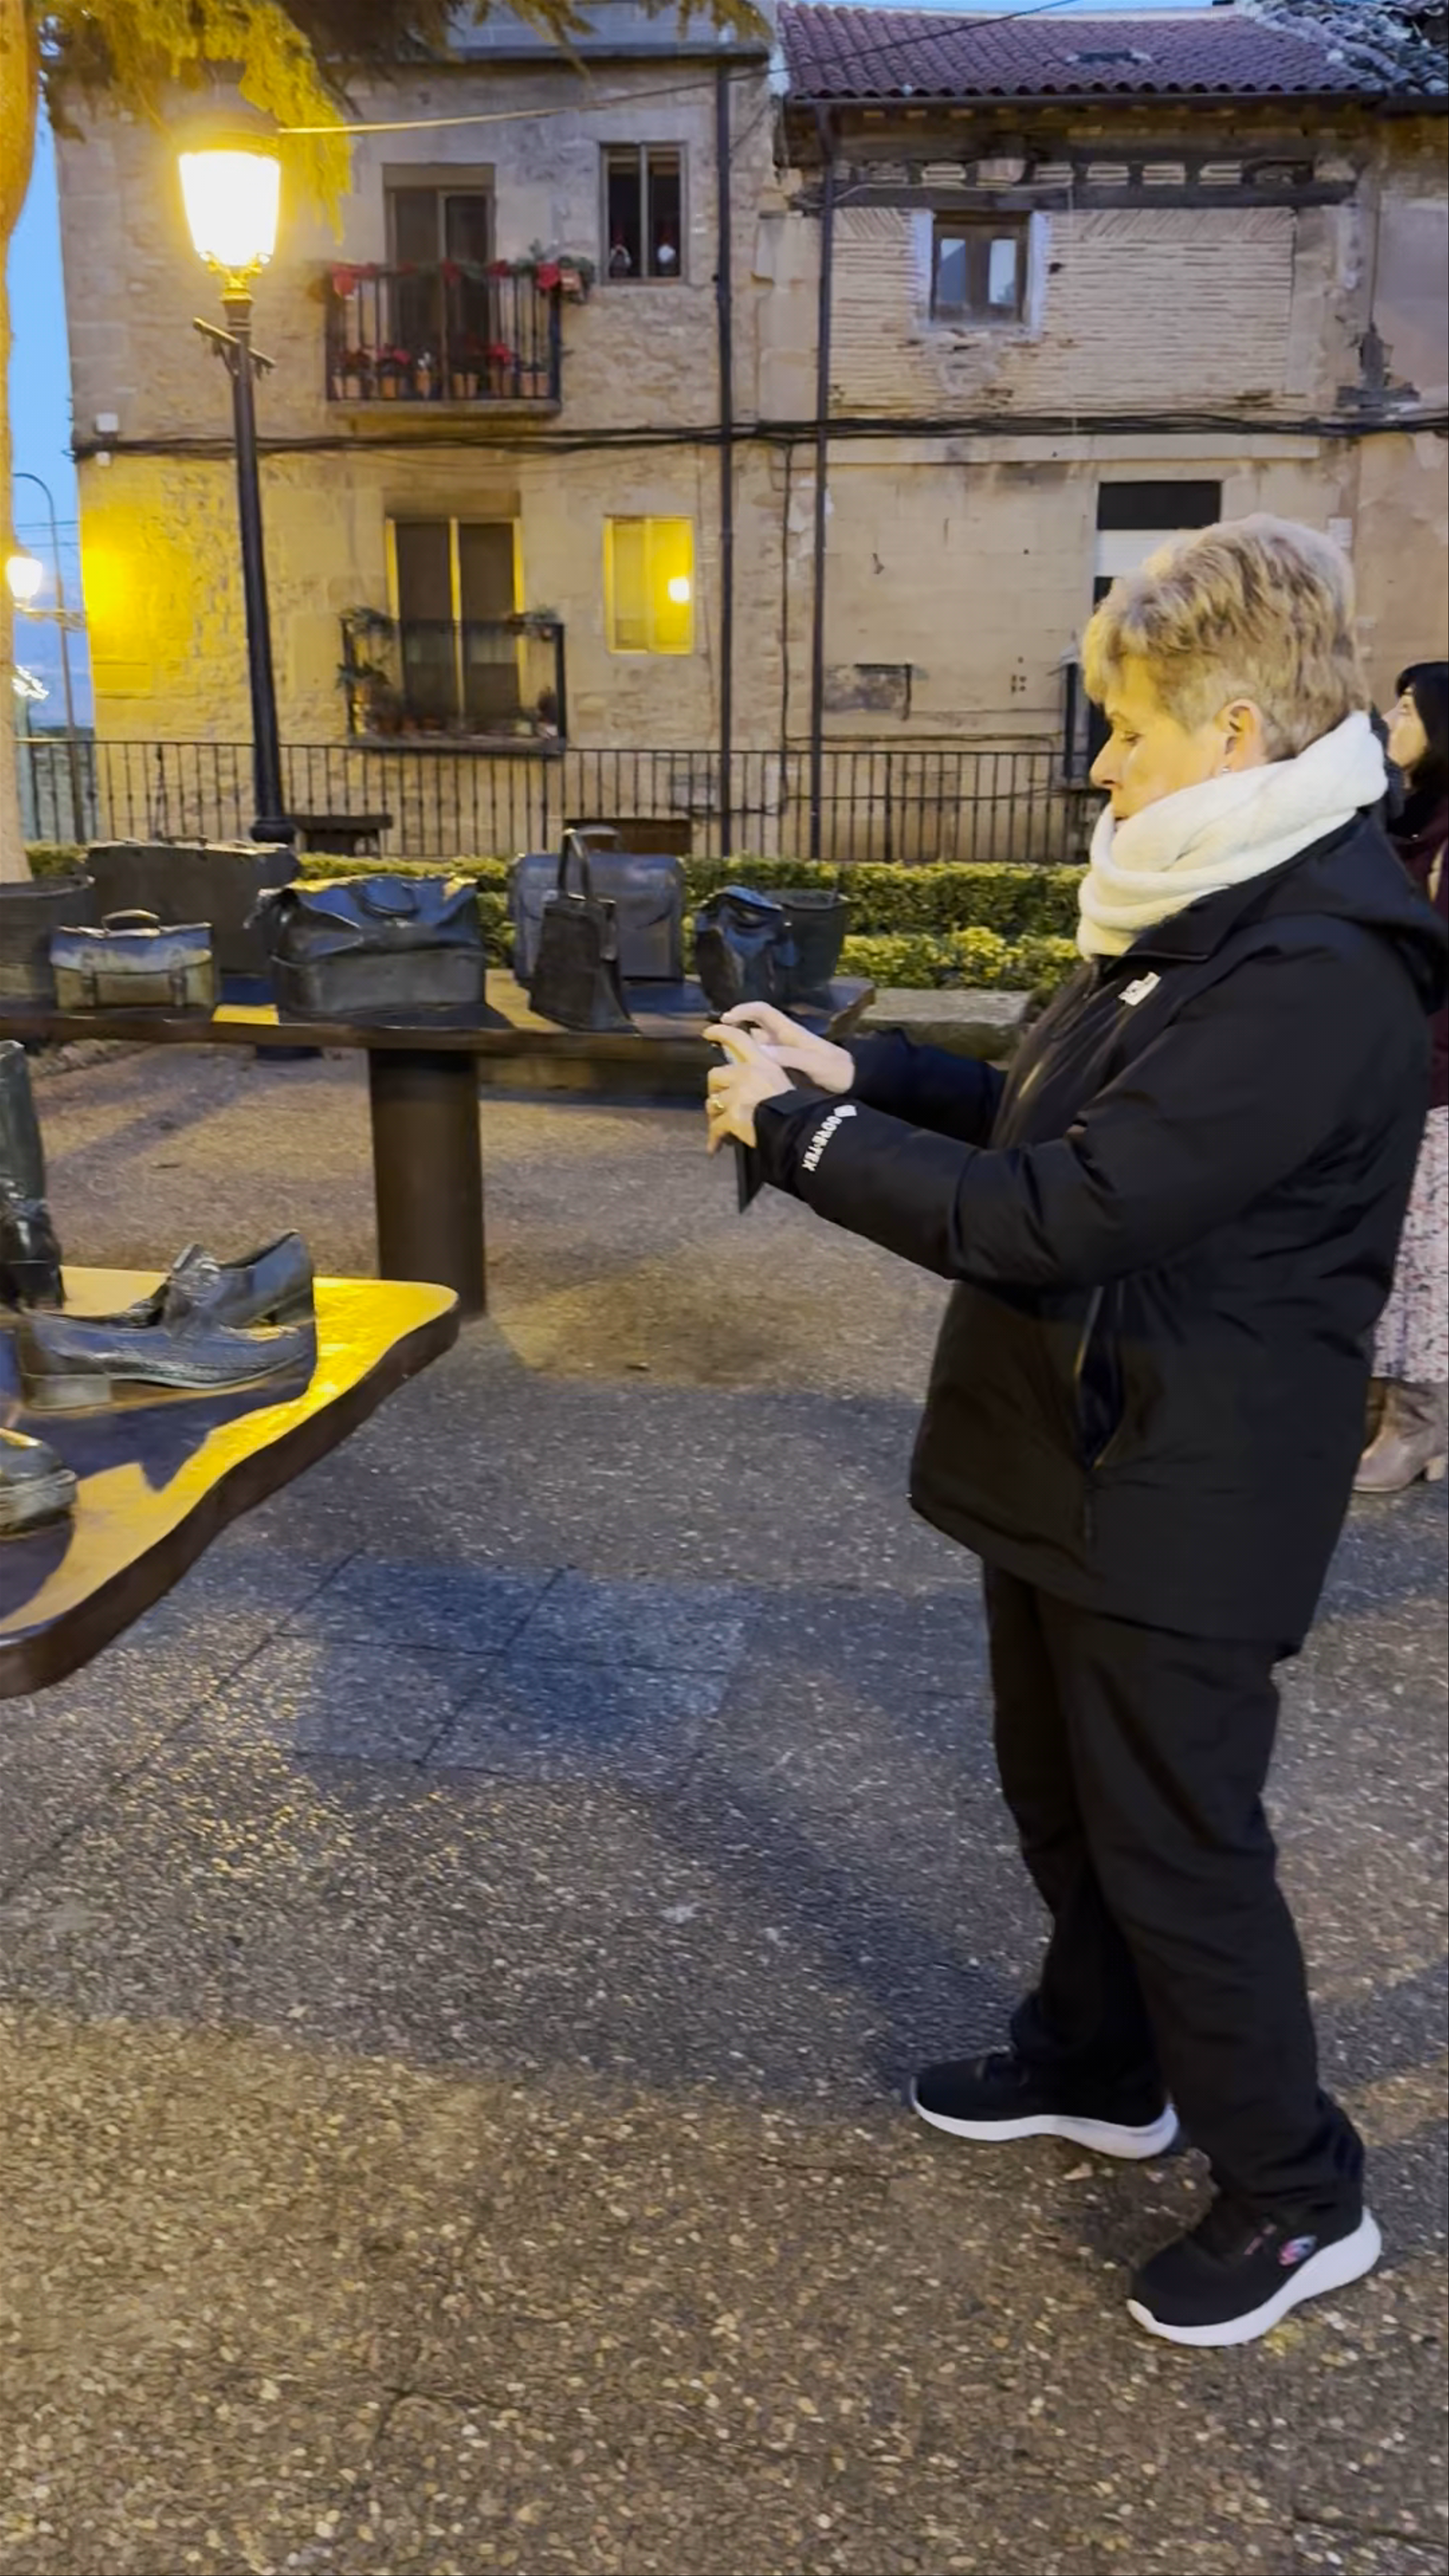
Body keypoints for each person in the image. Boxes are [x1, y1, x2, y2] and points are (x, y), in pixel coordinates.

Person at [704, 518, 1447, 2351]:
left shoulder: (1317, 961)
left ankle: (1300, 2193)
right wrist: (865, 1073)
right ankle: (1105, 2062)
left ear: (1238, 728)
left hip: (1187, 1482)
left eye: (1125, 726)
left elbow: (1067, 1209)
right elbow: (1051, 1110)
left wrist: (800, 1140)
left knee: (1179, 1847)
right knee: (1062, 1794)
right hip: (1083, 1445)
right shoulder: (1197, 902)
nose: (1099, 764)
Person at [1357, 661, 1449, 1490]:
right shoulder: (1403, 819)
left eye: (1411, 708)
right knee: (1389, 1241)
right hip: (1387, 1064)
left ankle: (1415, 1423)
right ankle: (1384, 1401)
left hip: (1433, 1078)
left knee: (1424, 1255)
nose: (1394, 718)